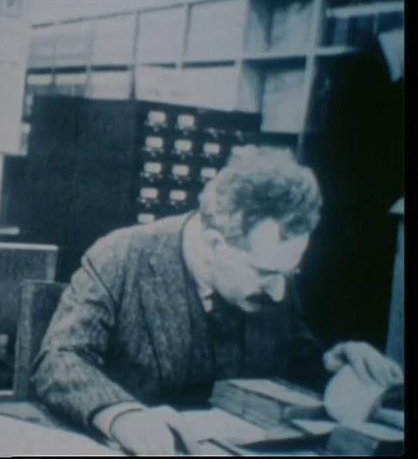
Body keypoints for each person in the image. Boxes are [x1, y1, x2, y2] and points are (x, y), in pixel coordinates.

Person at [31, 146, 404, 456]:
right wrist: (121, 416)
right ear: (214, 245)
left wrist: (337, 368)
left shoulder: (271, 273)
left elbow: (292, 359)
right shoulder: (122, 256)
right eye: (265, 273)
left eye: (289, 271)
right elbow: (59, 360)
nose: (278, 291)